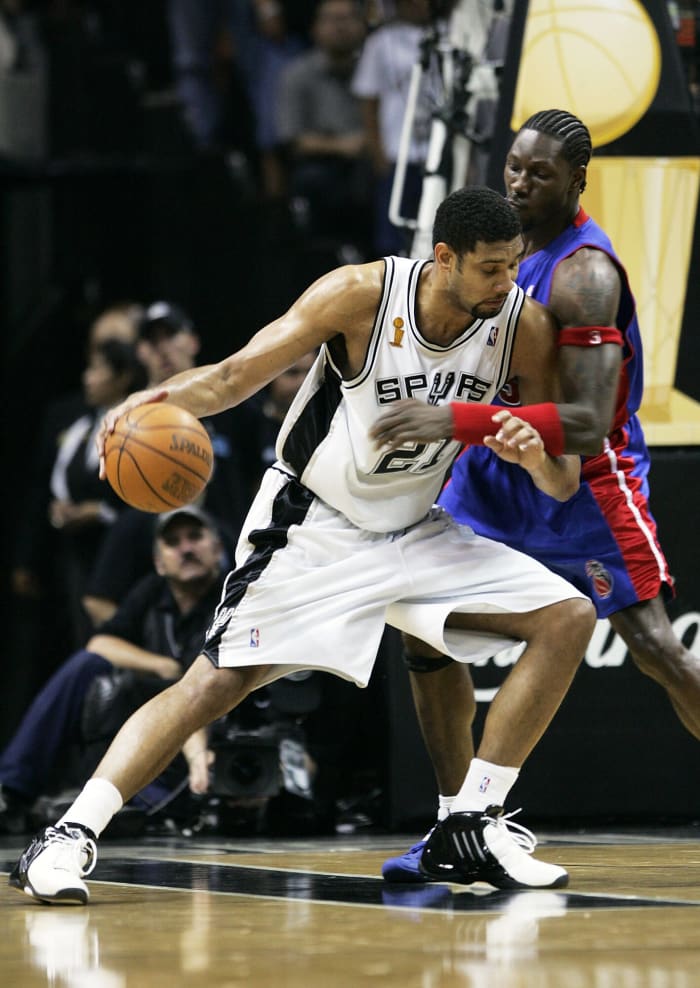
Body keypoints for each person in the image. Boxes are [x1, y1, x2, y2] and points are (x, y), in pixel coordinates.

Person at [9, 185, 596, 905]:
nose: (507, 283)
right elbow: (234, 375)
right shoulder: (358, 296)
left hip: (416, 528)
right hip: (315, 527)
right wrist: (154, 400)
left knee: (565, 618)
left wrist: (531, 453)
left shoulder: (521, 326)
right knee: (214, 685)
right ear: (444, 258)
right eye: (491, 269)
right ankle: (67, 837)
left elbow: (564, 480)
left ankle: (469, 823)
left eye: (514, 266)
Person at [373, 108, 700, 881]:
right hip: (491, 471)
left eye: (540, 173)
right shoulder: (493, 250)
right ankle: (461, 825)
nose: (520, 182)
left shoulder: (585, 272)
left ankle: (473, 819)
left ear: (577, 181)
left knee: (655, 647)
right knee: (425, 628)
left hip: (584, 487)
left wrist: (454, 415)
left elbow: (585, 424)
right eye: (514, 166)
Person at [0, 505, 226, 836]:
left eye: (195, 537)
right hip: (151, 714)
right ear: (159, 562)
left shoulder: (231, 596)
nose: (186, 548)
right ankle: (11, 789)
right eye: (173, 542)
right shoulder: (152, 591)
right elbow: (100, 644)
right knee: (86, 668)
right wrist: (160, 664)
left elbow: (207, 694)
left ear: (218, 550)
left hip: (208, 730)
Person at [81, 300, 261, 628]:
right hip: (165, 561)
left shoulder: (237, 408)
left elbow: (257, 479)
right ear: (140, 353)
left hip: (233, 558)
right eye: (152, 341)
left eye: (171, 335)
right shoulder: (127, 420)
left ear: (192, 341)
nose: (162, 348)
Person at [275, 0, 371, 253]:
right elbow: (293, 139)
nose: (340, 26)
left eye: (348, 18)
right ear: (314, 28)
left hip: (369, 163)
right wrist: (343, 146)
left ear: (363, 25)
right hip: (324, 166)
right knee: (314, 181)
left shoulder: (373, 68)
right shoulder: (297, 74)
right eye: (331, 19)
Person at [351, 0, 445, 256]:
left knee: (436, 232)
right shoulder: (381, 41)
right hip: (397, 153)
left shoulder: (449, 34)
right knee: (392, 236)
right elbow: (369, 101)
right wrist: (378, 153)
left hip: (437, 151)